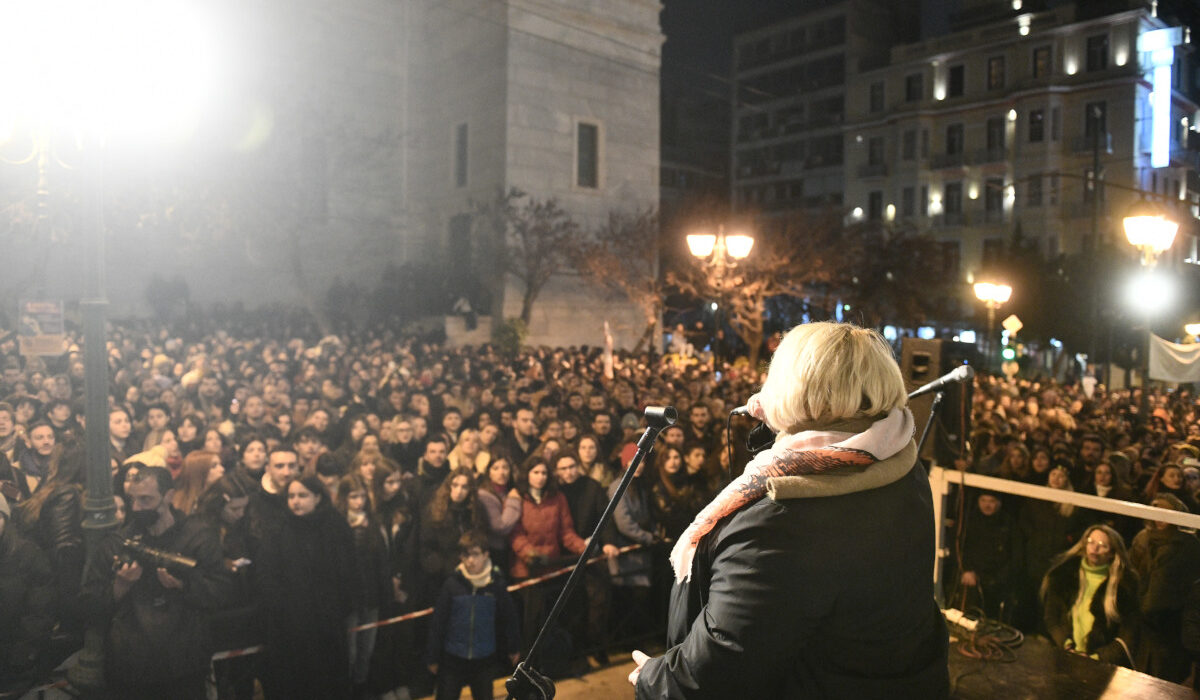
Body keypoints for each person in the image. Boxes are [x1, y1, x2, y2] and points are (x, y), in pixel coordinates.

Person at [632, 322, 948, 698]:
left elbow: (715, 675)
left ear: (793, 389)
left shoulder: (778, 522)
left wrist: (654, 679)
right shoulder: (900, 463)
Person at [79, 466, 232, 699]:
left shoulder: (198, 536)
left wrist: (183, 585)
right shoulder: (117, 543)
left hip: (184, 663)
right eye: (133, 499)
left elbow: (220, 593)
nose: (137, 507)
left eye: (146, 500)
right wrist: (120, 587)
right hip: (131, 665)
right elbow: (89, 605)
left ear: (168, 496)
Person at [258, 475, 361, 700]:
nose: (296, 501)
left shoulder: (335, 526)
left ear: (317, 497)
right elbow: (269, 575)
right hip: (290, 625)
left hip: (327, 622)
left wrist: (338, 607)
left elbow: (348, 572)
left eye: (302, 495)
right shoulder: (278, 528)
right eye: (291, 496)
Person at [426, 532, 521, 700]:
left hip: (483, 660)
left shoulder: (496, 585)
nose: (470, 560)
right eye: (465, 555)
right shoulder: (452, 584)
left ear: (486, 555)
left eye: (475, 554)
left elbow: (509, 617)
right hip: (453, 659)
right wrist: (433, 656)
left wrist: (513, 647)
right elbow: (438, 622)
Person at [1040, 524, 1139, 666]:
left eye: (1102, 545)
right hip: (1066, 657)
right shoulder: (1065, 575)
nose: (1095, 548)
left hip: (1101, 666)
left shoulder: (1123, 586)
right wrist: (1066, 644)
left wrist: (1097, 658)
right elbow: (1052, 616)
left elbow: (1128, 636)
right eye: (1091, 542)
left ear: (1112, 552)